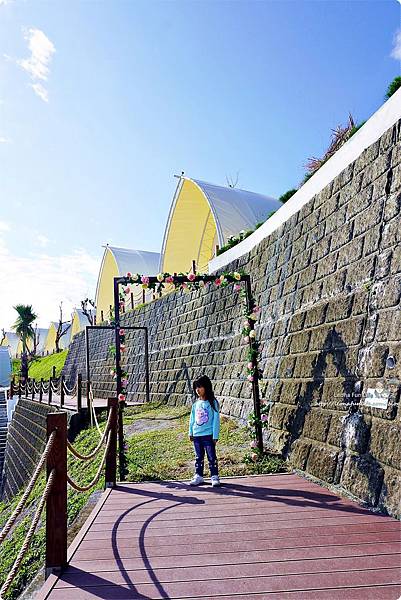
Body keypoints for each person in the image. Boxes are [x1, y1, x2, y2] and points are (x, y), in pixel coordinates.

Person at [188, 375, 220, 487]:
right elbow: (192, 419)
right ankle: (199, 476)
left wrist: (215, 435)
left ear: (206, 387)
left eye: (200, 387)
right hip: (197, 435)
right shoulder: (195, 404)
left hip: (208, 435)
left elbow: (216, 420)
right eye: (196, 387)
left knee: (212, 457)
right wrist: (190, 432)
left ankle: (214, 476)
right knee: (198, 457)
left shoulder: (213, 402)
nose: (198, 390)